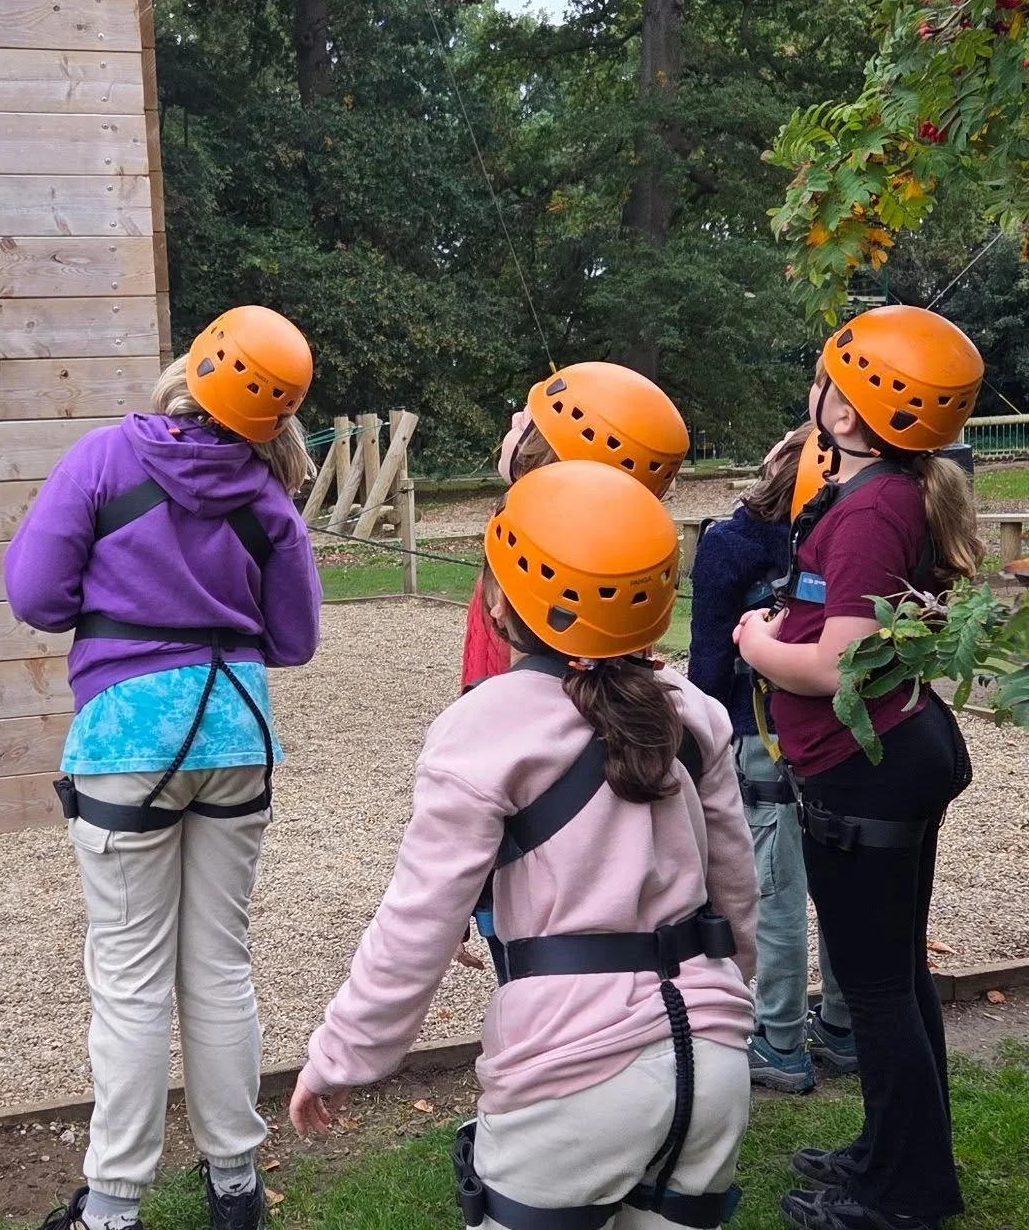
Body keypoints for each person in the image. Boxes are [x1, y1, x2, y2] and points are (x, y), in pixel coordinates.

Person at [291, 460, 758, 1229]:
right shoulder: (695, 713)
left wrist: (344, 1054)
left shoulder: (485, 729)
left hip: (573, 1071)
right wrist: (731, 989)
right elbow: (737, 888)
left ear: (499, 598)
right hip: (711, 1060)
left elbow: (420, 921)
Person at [4, 306, 323, 1230]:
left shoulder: (105, 460)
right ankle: (235, 1187)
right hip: (237, 734)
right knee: (219, 964)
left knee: (132, 976)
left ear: (193, 369)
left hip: (126, 742)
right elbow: (294, 639)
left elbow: (35, 594)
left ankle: (111, 1205)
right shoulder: (268, 496)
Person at [736, 306, 985, 1230]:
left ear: (843, 415)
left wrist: (756, 643)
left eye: (825, 378)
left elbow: (836, 664)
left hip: (862, 765)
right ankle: (894, 1152)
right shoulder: (892, 494)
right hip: (883, 758)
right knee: (895, 976)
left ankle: (908, 1193)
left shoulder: (873, 509)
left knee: (877, 985)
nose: (816, 391)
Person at [689, 426, 857, 1093]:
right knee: (840, 882)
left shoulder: (730, 544)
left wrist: (696, 738)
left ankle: (780, 1038)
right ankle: (843, 1026)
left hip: (756, 728)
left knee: (774, 889)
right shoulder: (846, 542)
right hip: (838, 730)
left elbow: (707, 657)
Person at [462, 363, 690, 688]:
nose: (515, 419)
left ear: (544, 455)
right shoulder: (623, 569)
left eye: (528, 420)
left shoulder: (522, 561)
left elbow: (498, 697)